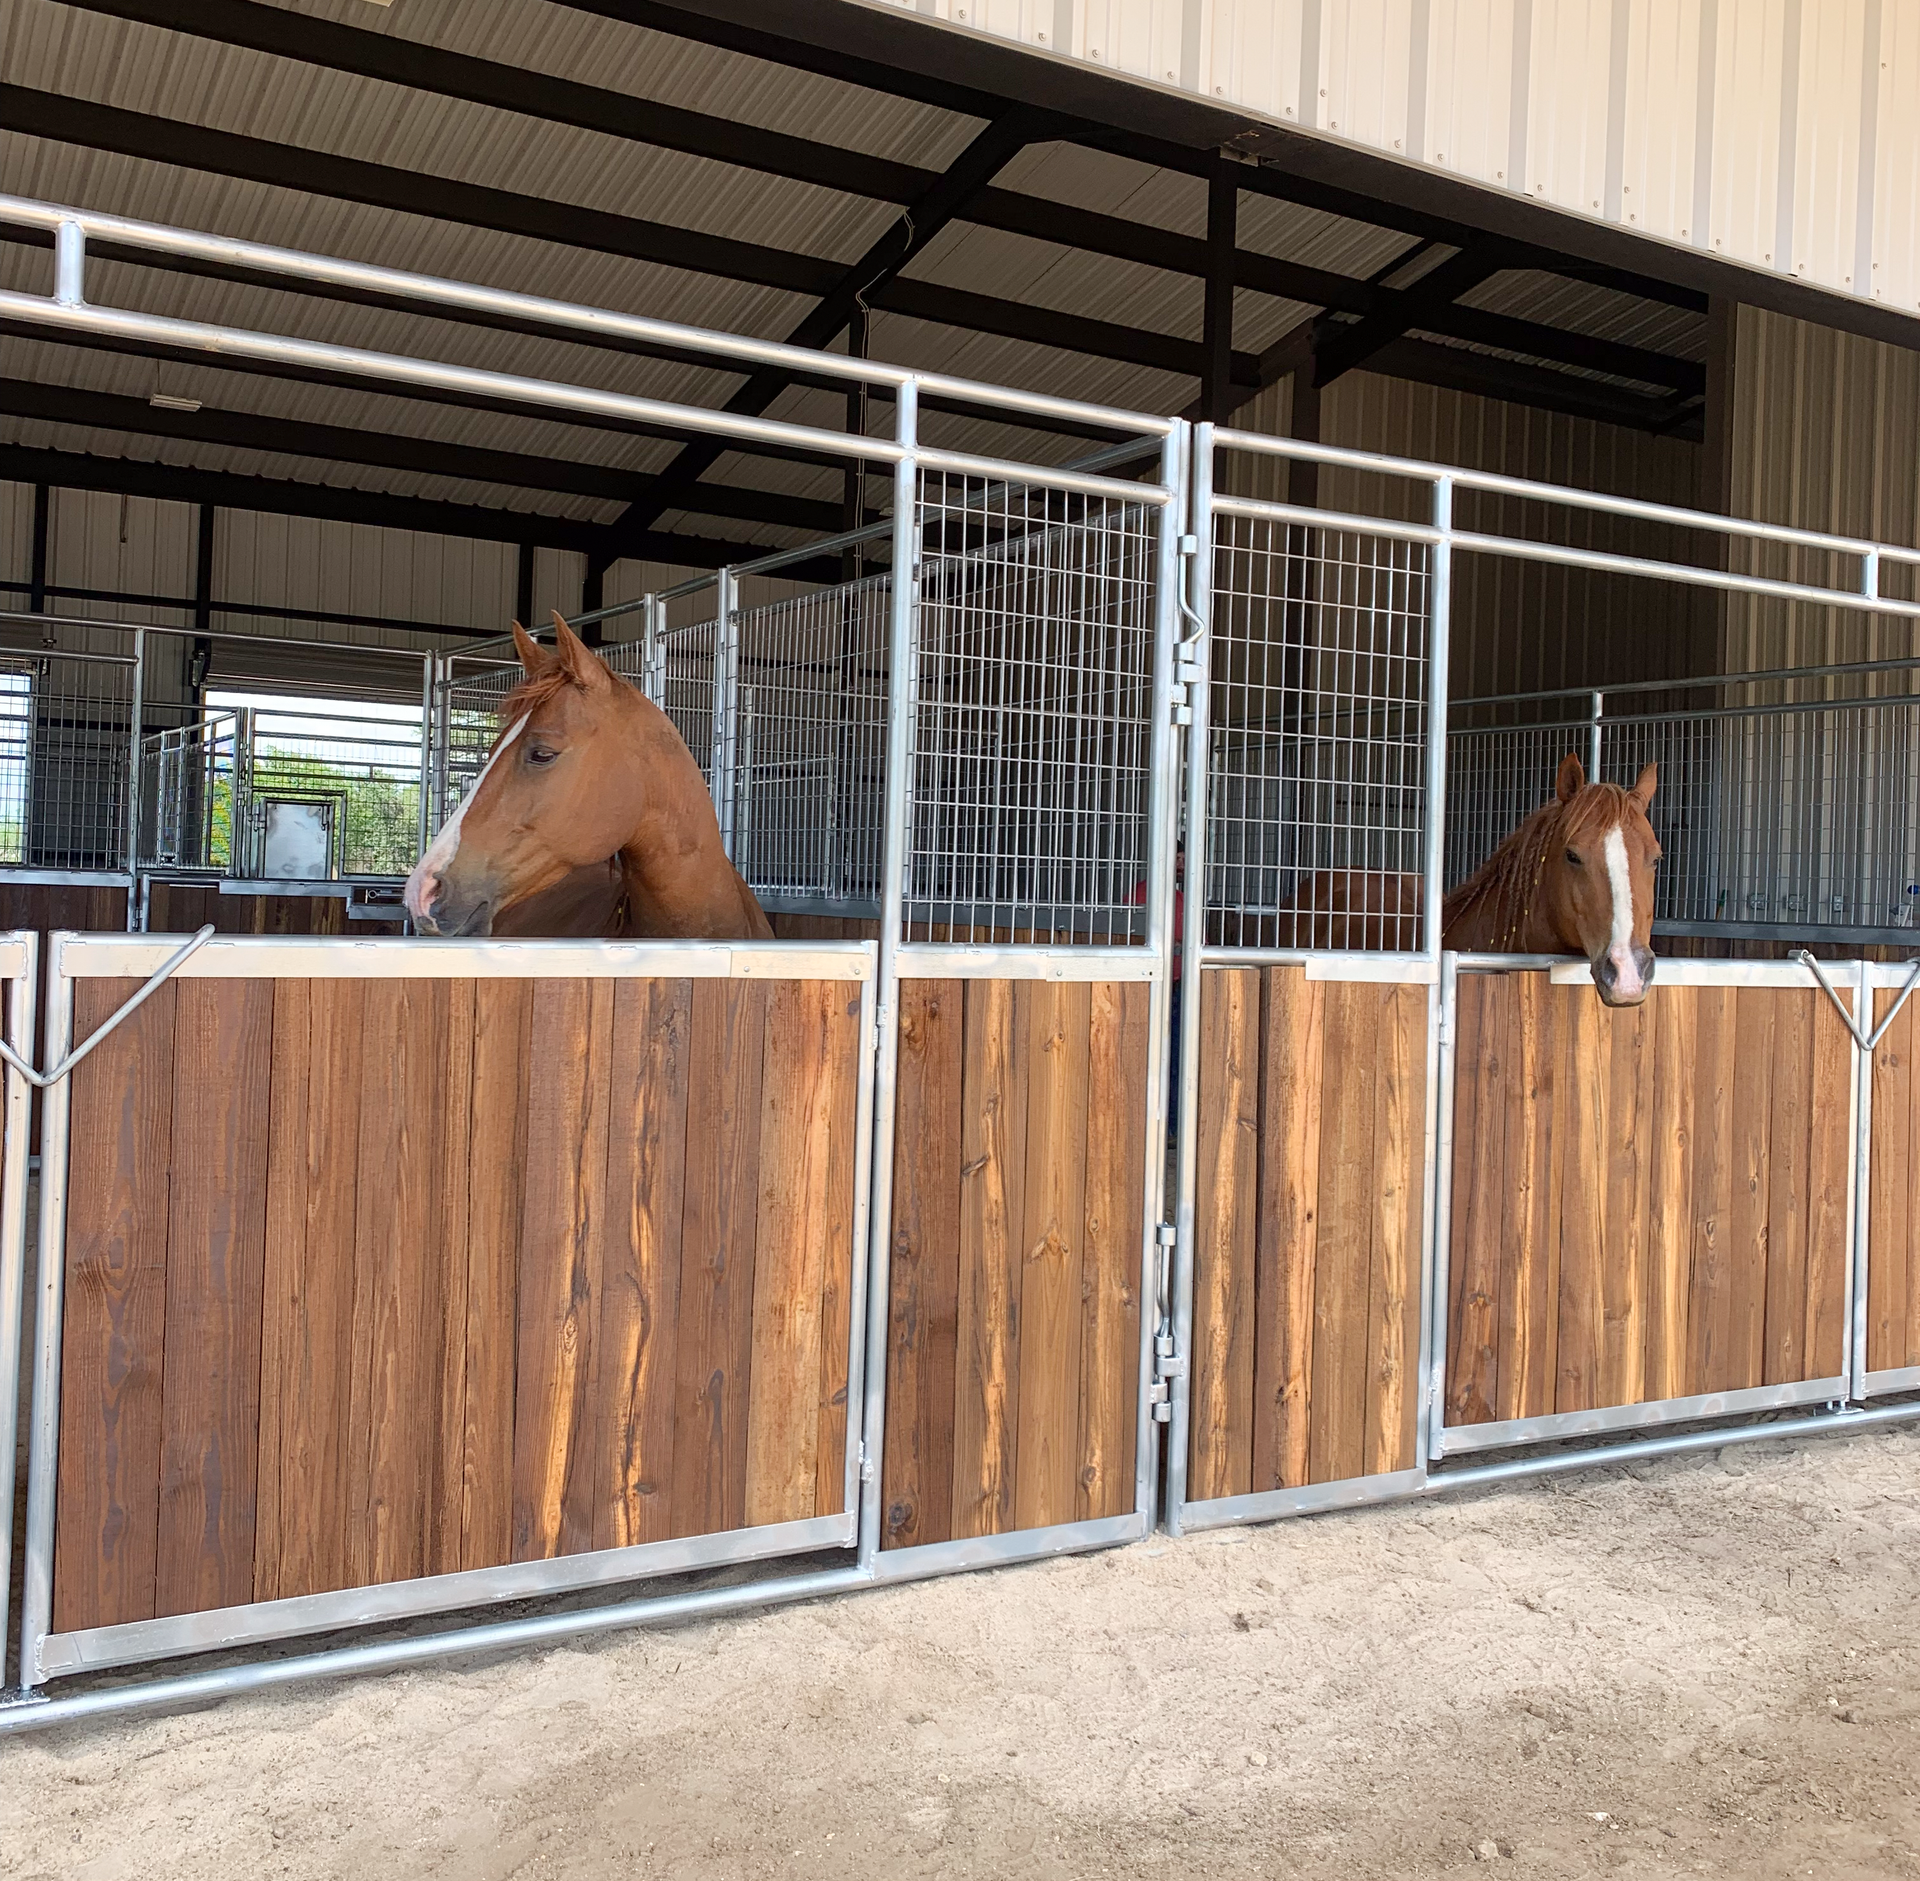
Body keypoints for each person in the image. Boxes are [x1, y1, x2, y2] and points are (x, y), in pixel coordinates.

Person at [1132, 842, 1185, 1141]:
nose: (1181, 864)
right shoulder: (1142, 897)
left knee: (1175, 1056)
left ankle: (1171, 1127)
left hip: (1174, 987)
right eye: (1176, 858)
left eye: (1182, 858)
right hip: (1152, 986)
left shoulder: (1180, 898)